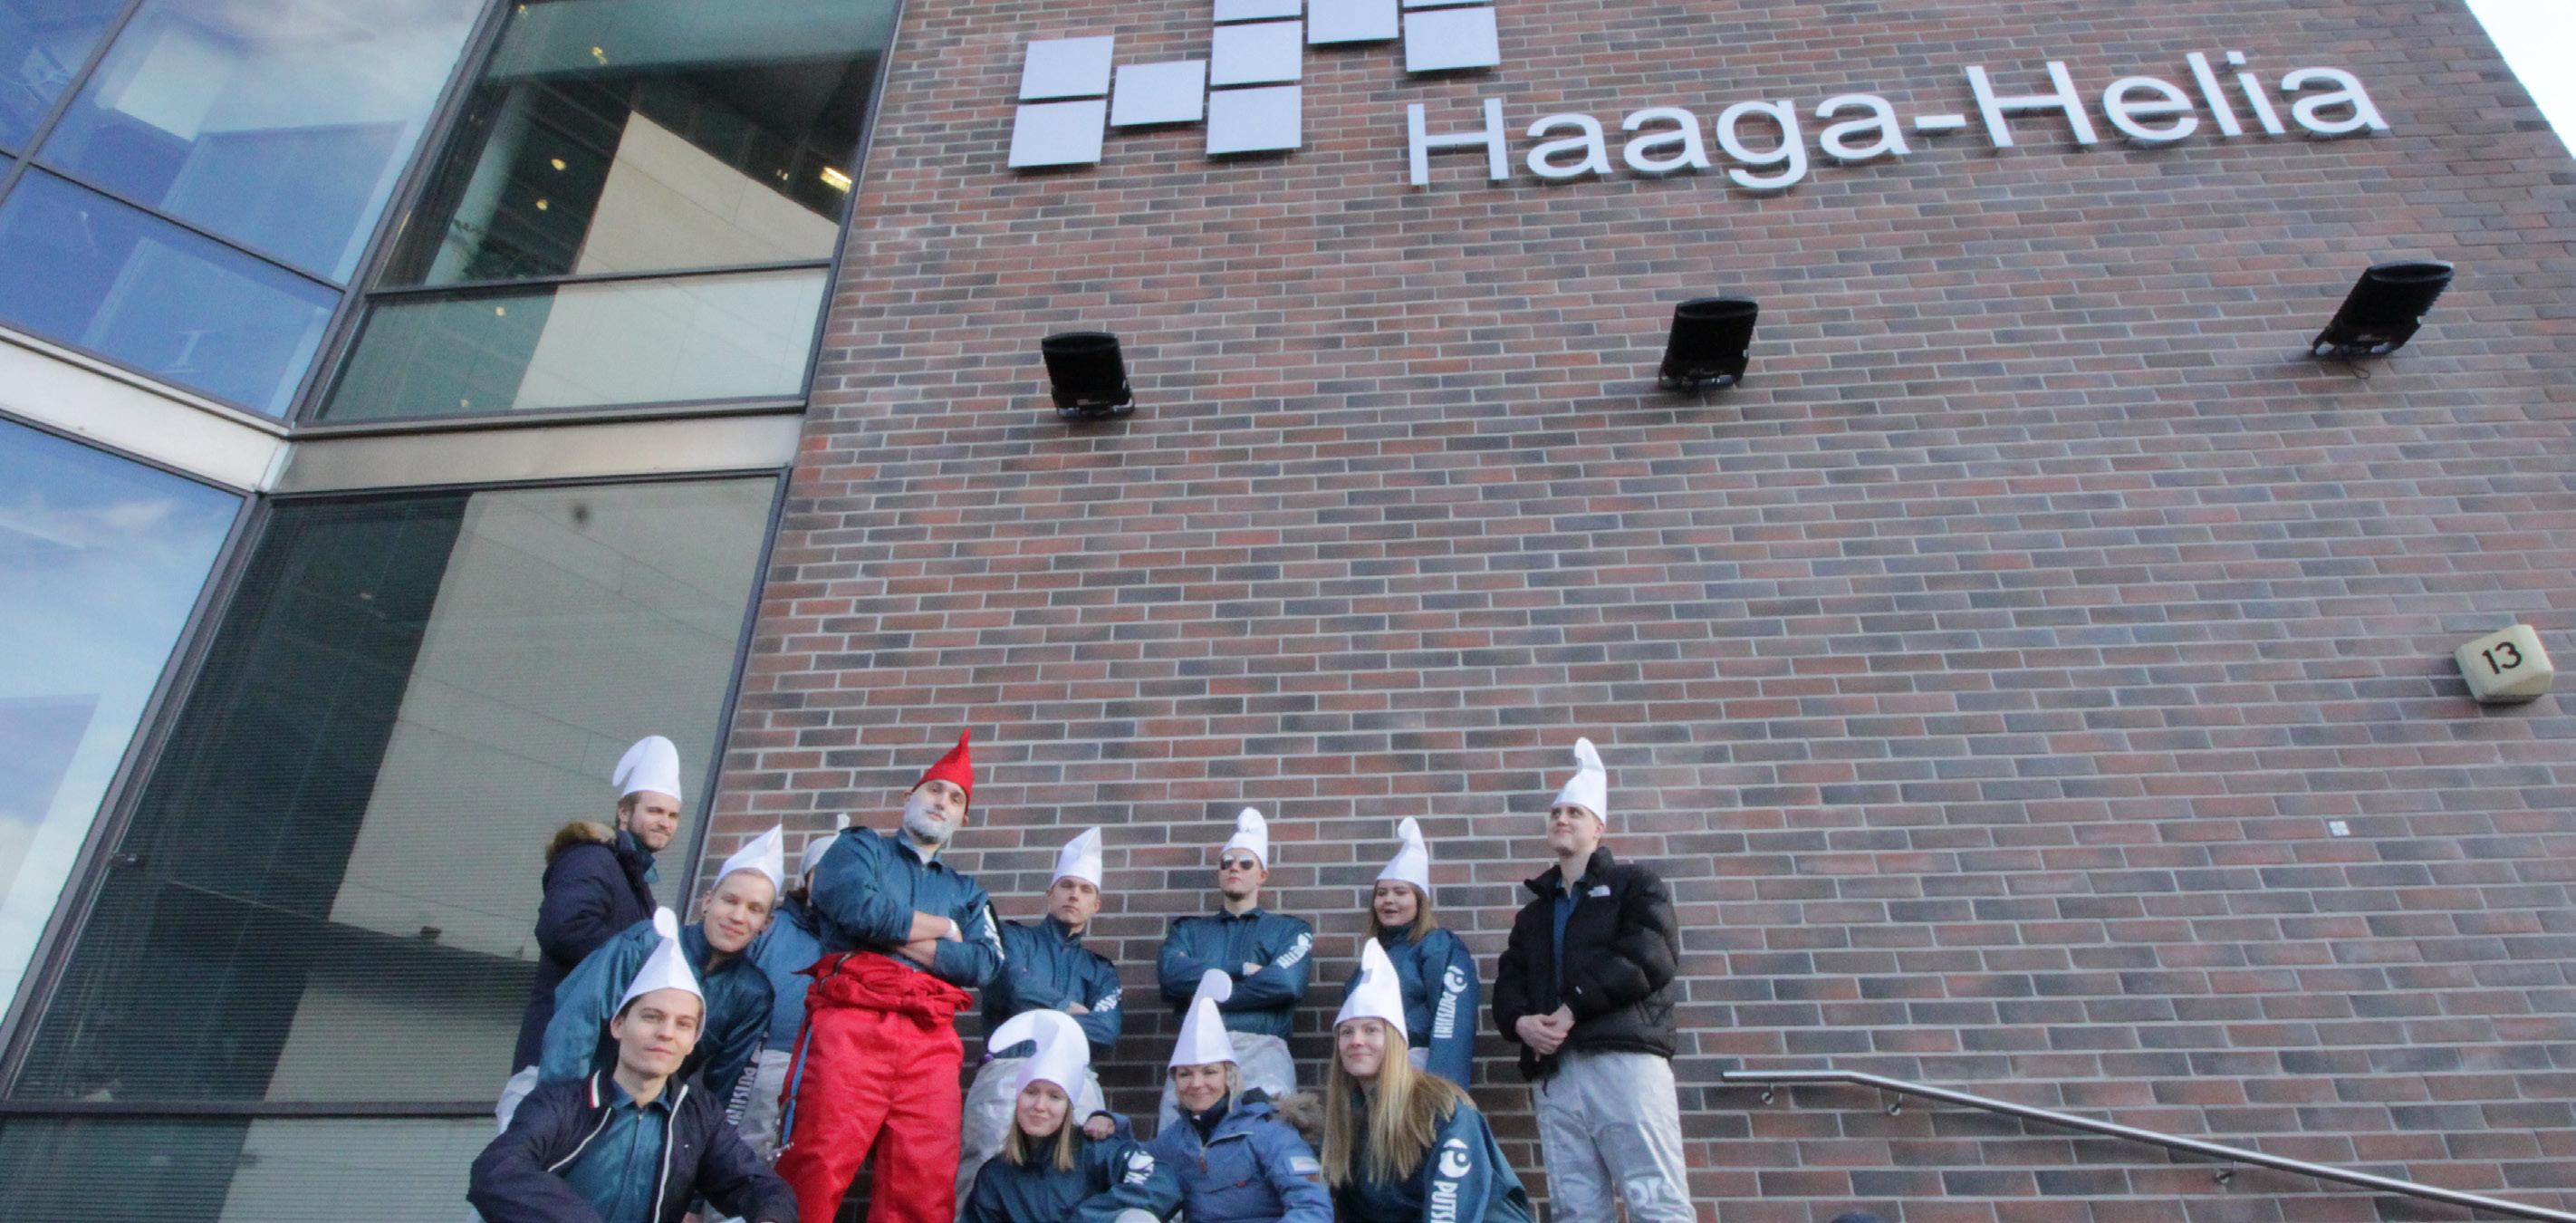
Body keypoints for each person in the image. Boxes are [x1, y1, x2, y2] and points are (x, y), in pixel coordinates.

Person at [775, 731, 1005, 1223]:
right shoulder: (858, 847)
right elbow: (855, 907)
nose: (942, 802)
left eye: (955, 798)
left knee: (923, 1182)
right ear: (908, 797)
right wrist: (944, 929)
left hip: (931, 1038)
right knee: (814, 1164)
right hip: (849, 1022)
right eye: (934, 790)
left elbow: (986, 963)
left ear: (963, 819)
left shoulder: (969, 891)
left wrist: (884, 934)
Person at [471, 910, 798, 1223]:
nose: (666, 1033)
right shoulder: (563, 1102)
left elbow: (759, 1186)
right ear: (618, 1025)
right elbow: (497, 1171)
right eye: (652, 1017)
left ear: (692, 1042)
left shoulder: (697, 1117)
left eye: (683, 1024)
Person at [1490, 737, 1690, 1222]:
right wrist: (1521, 1024)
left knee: (1656, 1199)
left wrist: (1570, 1009)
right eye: (1556, 812)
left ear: (1598, 827)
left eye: (1574, 813)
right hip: (1557, 1073)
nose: (1562, 819)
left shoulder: (1635, 885)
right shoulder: (1534, 915)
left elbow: (1651, 955)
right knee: (1575, 1209)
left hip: (1624, 1060)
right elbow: (1509, 984)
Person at [500, 734, 685, 1129]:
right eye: (654, 810)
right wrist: (642, 959)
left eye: (672, 815)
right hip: (553, 1063)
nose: (665, 822)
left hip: (588, 1069)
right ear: (624, 812)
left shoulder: (632, 879)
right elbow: (563, 928)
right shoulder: (592, 858)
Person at [542, 827, 783, 1105]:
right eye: (730, 900)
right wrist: (563, 1110)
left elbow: (722, 1091)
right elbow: (575, 1025)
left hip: (653, 1116)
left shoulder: (753, 995)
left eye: (754, 909)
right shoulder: (646, 942)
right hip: (582, 1100)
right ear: (707, 902)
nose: (738, 916)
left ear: (766, 924)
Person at [958, 827, 1126, 1211]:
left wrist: (1037, 1012)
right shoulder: (1013, 940)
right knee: (983, 1171)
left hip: (1075, 1084)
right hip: (1007, 1077)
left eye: (1085, 889)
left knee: (1075, 1179)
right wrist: (1066, 1008)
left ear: (1096, 904)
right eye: (1066, 885)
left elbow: (1106, 1029)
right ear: (1050, 893)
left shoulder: (1100, 970)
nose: (1074, 895)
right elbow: (1010, 986)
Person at [1322, 940, 1531, 1223]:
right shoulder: (1348, 1120)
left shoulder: (1443, 1109)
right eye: (1347, 1032)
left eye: (1371, 1030)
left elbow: (1451, 1212)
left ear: (1396, 1043)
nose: (1356, 1041)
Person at [1154, 807, 1312, 1125]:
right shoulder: (1188, 930)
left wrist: (1204, 993)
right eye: (1226, 863)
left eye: (1245, 863)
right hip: (1195, 1053)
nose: (1234, 868)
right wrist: (1240, 968)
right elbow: (1170, 976)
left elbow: (1286, 983)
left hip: (1262, 1049)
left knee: (1266, 1137)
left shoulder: (1290, 930)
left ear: (1262, 874)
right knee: (1177, 1140)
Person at [1147, 970, 1333, 1223]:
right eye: (1185, 1074)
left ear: (1229, 1077)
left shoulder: (1269, 1130)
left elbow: (1312, 1206)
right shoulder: (1169, 1144)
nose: (1197, 1084)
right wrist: (1109, 1124)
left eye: (1209, 1072)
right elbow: (1126, 1183)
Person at [959, 1009, 1178, 1223]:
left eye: (1054, 1096)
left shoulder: (1097, 1151)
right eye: (1031, 1092)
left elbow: (1161, 1182)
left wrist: (1088, 1216)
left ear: (1068, 1106)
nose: (1040, 1106)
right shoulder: (995, 1175)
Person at [735, 817, 842, 1164]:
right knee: (745, 1152)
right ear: (805, 879)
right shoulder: (772, 927)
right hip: (762, 1059)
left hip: (825, 1067)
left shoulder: (860, 939)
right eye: (822, 873)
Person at [1343, 817, 1478, 1088]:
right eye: (1382, 893)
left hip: (1418, 1071)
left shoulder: (1440, 947)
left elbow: (1452, 1019)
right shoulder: (1373, 956)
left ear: (1419, 901)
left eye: (1400, 892)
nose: (1389, 900)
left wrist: (1442, 1089)